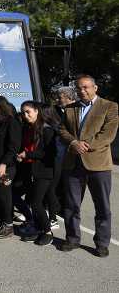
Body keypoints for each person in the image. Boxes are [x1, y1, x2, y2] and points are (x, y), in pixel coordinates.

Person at [59, 75, 118, 257]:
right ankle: (72, 239)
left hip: (98, 164)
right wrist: (73, 143)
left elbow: (108, 134)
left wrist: (85, 145)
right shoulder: (70, 108)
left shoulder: (109, 106)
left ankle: (101, 243)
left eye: (86, 87)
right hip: (73, 163)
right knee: (71, 205)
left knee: (102, 206)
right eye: (79, 88)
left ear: (95, 88)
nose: (82, 91)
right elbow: (62, 130)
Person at [16, 101, 59, 246]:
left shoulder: (47, 130)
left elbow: (49, 153)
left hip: (44, 172)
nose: (26, 115)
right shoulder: (28, 128)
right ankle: (38, 229)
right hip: (29, 170)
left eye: (28, 111)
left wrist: (28, 155)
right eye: (23, 112)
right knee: (30, 200)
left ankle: (47, 232)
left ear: (36, 111)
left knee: (36, 202)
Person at [0, 96, 22, 239]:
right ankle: (0, 222)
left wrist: (4, 163)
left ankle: (8, 225)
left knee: (5, 196)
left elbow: (13, 147)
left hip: (5, 167)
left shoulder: (12, 123)